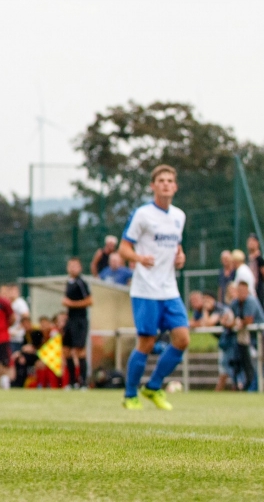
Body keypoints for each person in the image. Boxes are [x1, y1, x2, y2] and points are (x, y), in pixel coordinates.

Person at [119, 165, 188, 410]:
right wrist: (138, 258)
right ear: (153, 186)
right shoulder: (143, 214)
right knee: (146, 343)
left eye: (170, 180)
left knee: (182, 339)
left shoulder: (179, 216)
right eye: (161, 180)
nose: (166, 184)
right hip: (145, 290)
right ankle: (130, 395)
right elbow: (123, 248)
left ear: (175, 187)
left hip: (169, 289)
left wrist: (181, 257)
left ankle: (153, 386)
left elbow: (176, 247)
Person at [222, 278, 264, 391]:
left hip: (259, 337)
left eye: (243, 291)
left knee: (257, 363)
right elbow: (227, 319)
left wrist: (235, 323)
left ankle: (255, 387)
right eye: (239, 291)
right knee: (246, 364)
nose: (241, 293)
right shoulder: (235, 303)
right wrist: (233, 322)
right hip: (246, 339)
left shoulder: (251, 301)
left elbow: (248, 320)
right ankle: (251, 387)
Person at [62, 258, 92, 389]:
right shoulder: (69, 282)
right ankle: (72, 382)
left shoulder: (81, 282)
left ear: (80, 268)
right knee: (66, 350)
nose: (72, 268)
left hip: (80, 321)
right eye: (70, 265)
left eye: (75, 266)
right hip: (70, 320)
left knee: (80, 351)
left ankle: (83, 382)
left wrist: (71, 304)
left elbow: (90, 301)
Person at [247, 234, 264, 299]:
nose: (251, 243)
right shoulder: (246, 259)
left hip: (258, 290)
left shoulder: (260, 259)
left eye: (253, 241)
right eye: (249, 241)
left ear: (257, 243)